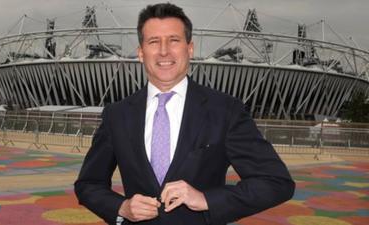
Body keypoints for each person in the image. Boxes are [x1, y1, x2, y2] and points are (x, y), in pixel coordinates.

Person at [75, 3, 295, 225]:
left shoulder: (225, 111)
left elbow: (276, 181)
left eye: (174, 40)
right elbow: (88, 184)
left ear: (189, 49)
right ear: (141, 53)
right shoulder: (117, 115)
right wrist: (121, 208)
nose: (164, 51)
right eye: (153, 42)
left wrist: (207, 199)